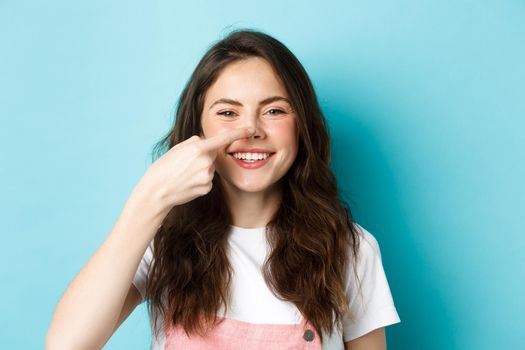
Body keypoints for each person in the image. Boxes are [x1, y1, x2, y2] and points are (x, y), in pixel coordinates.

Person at [46, 28, 400, 350]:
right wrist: (148, 200)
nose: (250, 130)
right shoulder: (162, 242)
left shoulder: (351, 249)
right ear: (197, 128)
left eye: (274, 110)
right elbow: (66, 345)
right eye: (228, 113)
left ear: (301, 126)